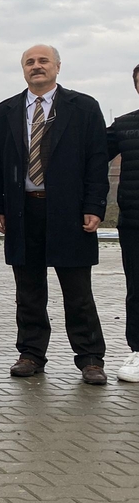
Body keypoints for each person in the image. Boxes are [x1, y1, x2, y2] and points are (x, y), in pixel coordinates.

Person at [0, 45, 109, 384]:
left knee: (78, 292)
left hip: (70, 211)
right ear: (23, 69)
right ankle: (31, 354)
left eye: (43, 61)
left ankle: (90, 359)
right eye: (30, 62)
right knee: (28, 291)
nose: (36, 66)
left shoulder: (84, 107)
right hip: (22, 210)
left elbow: (97, 161)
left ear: (57, 66)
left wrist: (94, 206)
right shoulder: (4, 111)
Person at [106, 63, 139, 382]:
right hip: (134, 222)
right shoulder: (123, 126)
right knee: (137, 288)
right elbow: (89, 156)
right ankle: (138, 351)